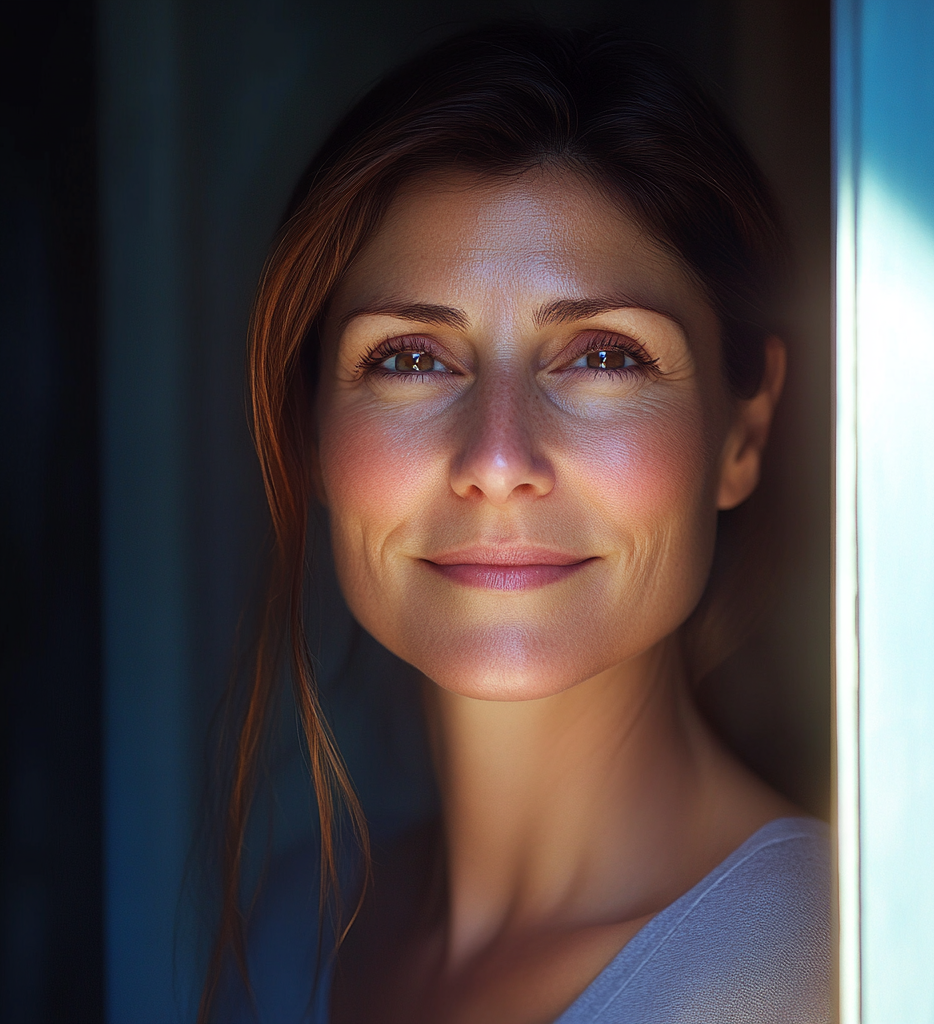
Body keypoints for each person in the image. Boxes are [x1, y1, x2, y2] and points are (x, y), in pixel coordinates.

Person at [201, 21, 830, 1024]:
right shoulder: (290, 934)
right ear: (311, 427)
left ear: (740, 433)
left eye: (602, 355)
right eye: (409, 358)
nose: (497, 461)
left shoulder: (851, 973)